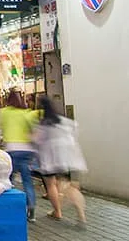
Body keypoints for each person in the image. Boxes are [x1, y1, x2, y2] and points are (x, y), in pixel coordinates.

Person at [34, 96, 88, 227]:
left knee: (51, 185)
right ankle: (81, 216)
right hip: (67, 158)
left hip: (50, 160)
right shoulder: (63, 121)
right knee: (69, 186)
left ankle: (57, 212)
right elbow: (75, 130)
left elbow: (36, 140)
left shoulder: (43, 123)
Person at [0, 89, 39, 222]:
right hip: (27, 150)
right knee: (27, 180)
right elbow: (33, 129)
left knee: (8, 179)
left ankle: (10, 206)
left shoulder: (3, 112)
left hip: (11, 150)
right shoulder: (26, 113)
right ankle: (31, 207)